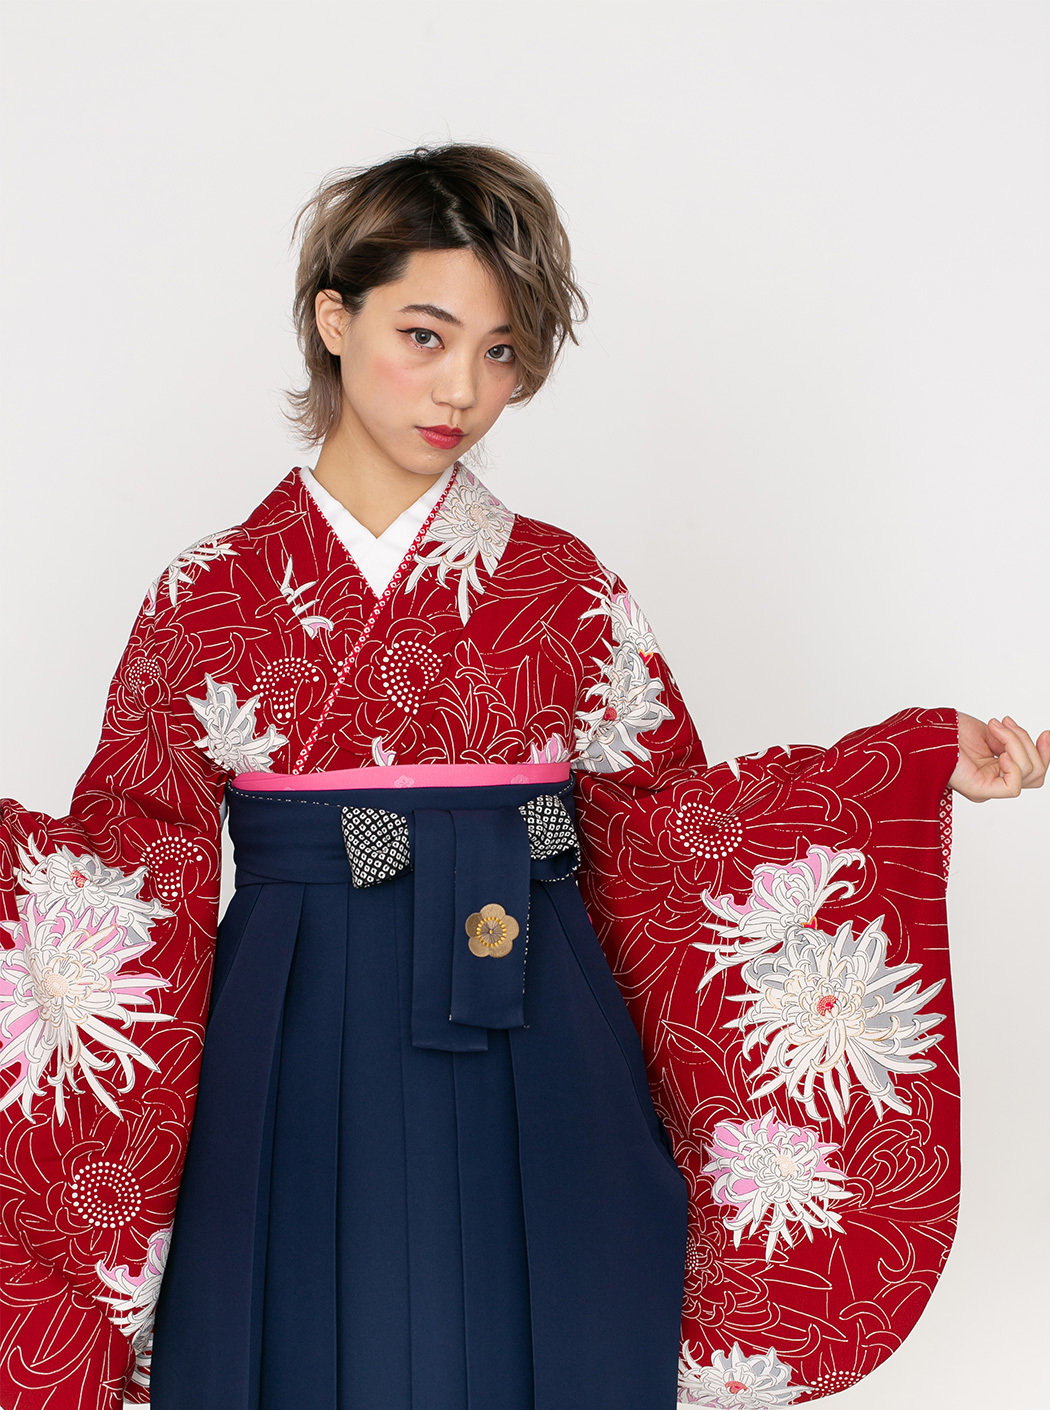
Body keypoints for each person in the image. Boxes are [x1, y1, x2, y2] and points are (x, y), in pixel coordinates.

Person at [0, 142, 1045, 1410]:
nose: (463, 389)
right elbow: (124, 874)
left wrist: (909, 763)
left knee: (551, 1338)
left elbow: (672, 829)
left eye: (500, 352)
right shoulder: (207, 597)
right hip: (295, 1041)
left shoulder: (563, 588)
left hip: (543, 1033)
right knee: (300, 1340)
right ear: (333, 319)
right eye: (425, 336)